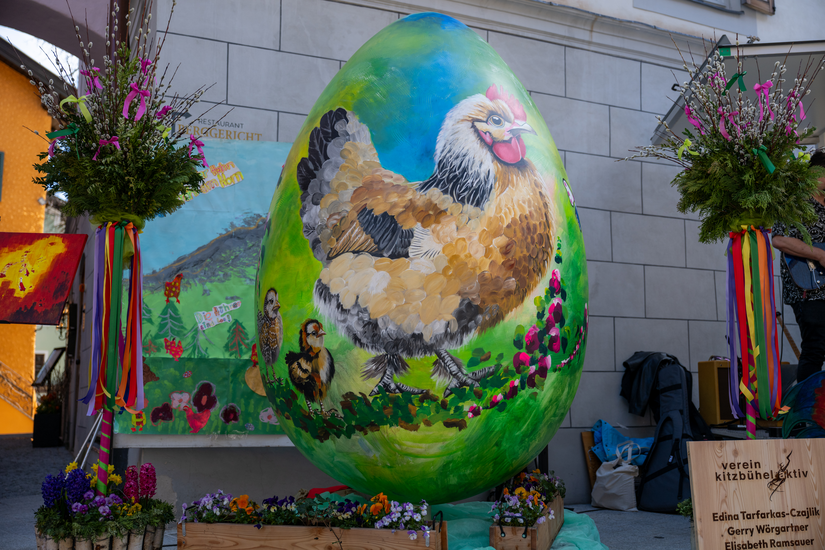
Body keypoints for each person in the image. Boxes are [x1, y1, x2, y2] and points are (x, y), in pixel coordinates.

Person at [772, 149, 825, 383]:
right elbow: (779, 238)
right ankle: (806, 414)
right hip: (808, 287)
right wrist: (820, 255)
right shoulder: (794, 200)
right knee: (815, 347)